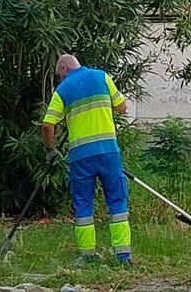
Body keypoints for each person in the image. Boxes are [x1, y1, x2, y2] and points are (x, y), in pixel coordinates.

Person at [42, 54, 131, 264]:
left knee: (83, 205)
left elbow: (47, 125)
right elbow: (122, 106)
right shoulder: (102, 77)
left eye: (59, 74)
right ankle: (123, 255)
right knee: (117, 201)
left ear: (64, 69)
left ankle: (87, 256)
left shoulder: (62, 90)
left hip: (80, 156)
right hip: (109, 151)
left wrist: (51, 149)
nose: (60, 78)